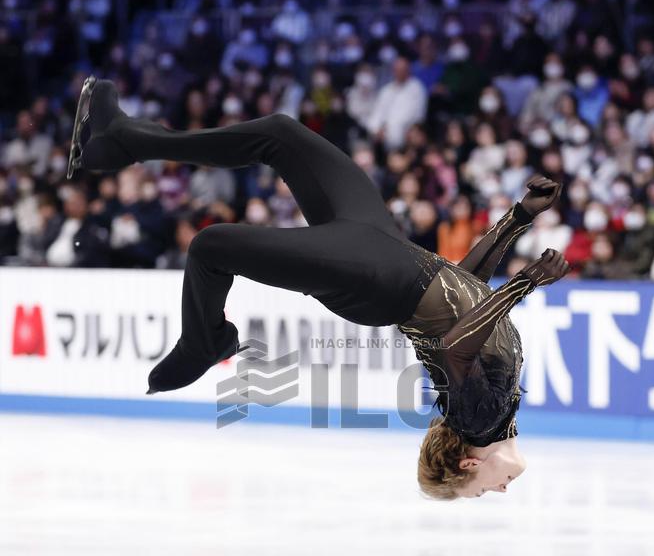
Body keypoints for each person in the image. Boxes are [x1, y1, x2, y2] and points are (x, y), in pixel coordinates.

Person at [69, 78, 569, 500]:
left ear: (466, 466)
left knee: (210, 246)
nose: (498, 491)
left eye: (480, 491)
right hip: (385, 247)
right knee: (280, 134)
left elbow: (458, 346)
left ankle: (205, 340)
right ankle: (128, 138)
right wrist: (518, 217)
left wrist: (524, 282)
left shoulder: (478, 424)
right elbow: (468, 287)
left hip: (372, 279)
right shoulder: (497, 411)